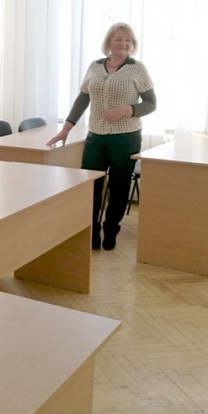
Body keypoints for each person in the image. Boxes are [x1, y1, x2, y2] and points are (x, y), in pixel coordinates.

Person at [47, 22, 156, 251]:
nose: (124, 43)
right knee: (91, 185)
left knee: (119, 186)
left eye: (128, 40)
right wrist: (66, 128)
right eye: (119, 39)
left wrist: (127, 110)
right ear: (108, 43)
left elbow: (151, 103)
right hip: (96, 137)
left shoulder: (137, 69)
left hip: (125, 137)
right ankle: (92, 230)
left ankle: (111, 228)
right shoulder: (95, 67)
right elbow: (82, 99)